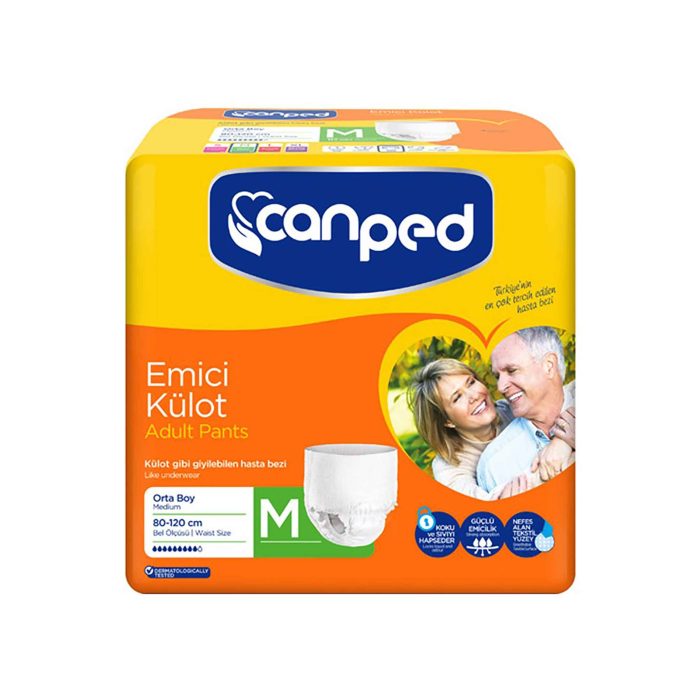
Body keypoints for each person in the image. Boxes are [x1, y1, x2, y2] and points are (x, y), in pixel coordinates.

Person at [408, 356, 573, 500]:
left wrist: (562, 441)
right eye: (457, 397)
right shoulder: (449, 469)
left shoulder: (512, 408)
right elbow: (486, 509)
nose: (474, 396)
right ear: (447, 421)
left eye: (471, 382)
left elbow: (569, 394)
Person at [477, 327, 575, 496]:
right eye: (497, 376)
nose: (501, 387)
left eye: (512, 370)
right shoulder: (493, 465)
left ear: (549, 366)